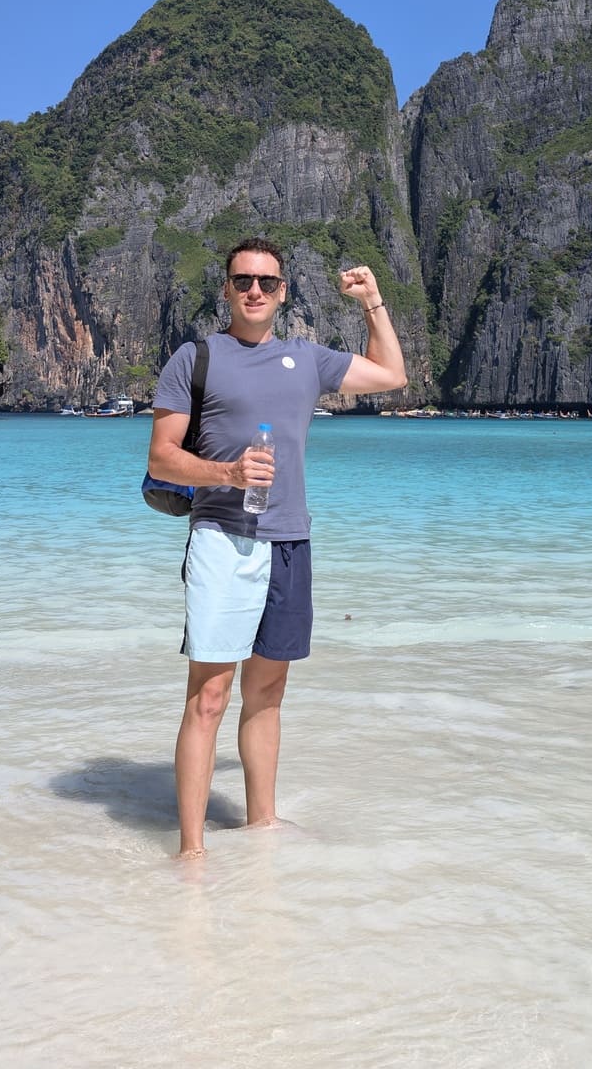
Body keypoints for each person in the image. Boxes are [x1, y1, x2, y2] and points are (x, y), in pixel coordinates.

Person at [147, 236, 407, 860]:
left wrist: (373, 303)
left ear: (283, 291)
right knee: (209, 696)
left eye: (266, 281)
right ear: (227, 289)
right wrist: (229, 475)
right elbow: (162, 455)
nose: (254, 291)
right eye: (243, 281)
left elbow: (393, 375)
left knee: (267, 694)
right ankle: (190, 852)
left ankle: (262, 827)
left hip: (291, 540)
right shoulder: (195, 359)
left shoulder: (307, 359)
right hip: (222, 540)